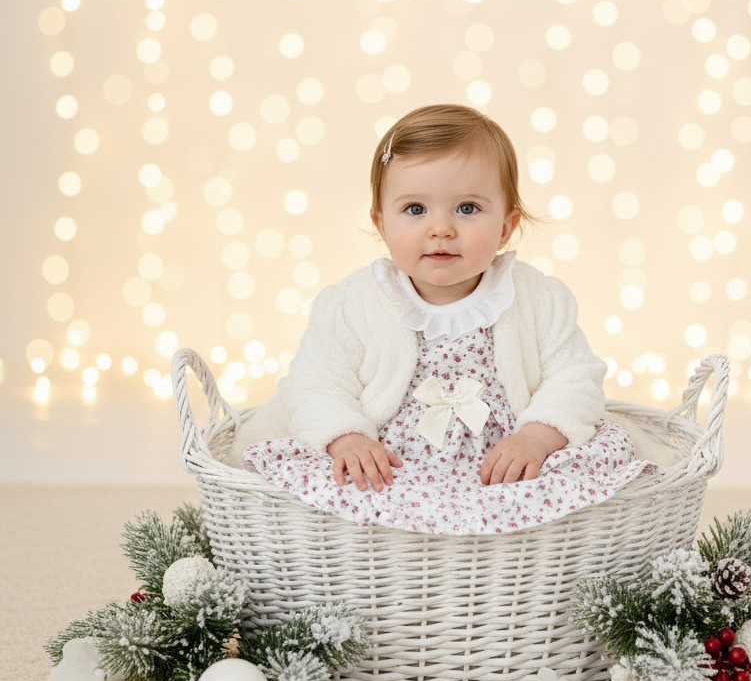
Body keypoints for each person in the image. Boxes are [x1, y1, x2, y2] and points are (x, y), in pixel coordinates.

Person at [238, 104, 655, 533]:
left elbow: (575, 377)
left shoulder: (538, 299)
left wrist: (537, 436)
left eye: (468, 208)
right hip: (390, 471)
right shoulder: (353, 304)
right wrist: (347, 437)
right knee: (324, 473)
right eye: (416, 209)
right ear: (381, 224)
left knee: (594, 459)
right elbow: (317, 382)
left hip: (507, 473)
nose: (441, 228)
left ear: (507, 226)